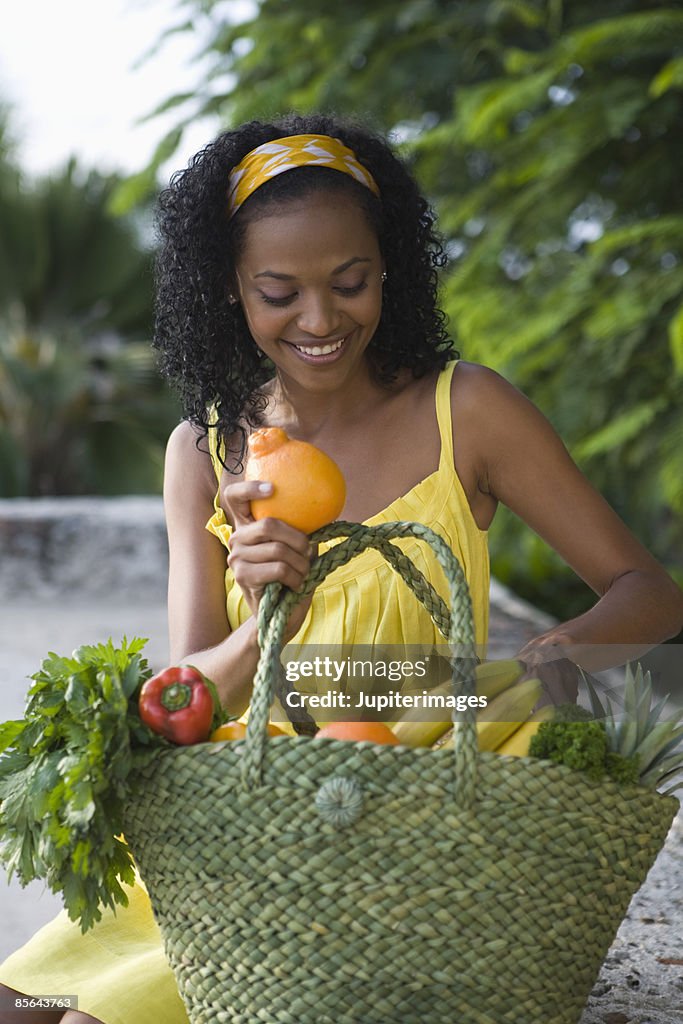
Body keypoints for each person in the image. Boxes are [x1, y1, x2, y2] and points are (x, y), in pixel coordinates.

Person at [1, 112, 681, 1024]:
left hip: (424, 806)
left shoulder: (464, 411)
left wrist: (547, 662)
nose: (320, 320)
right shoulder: (204, 451)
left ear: (388, 270)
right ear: (229, 293)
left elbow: (649, 592)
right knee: (24, 1002)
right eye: (278, 291)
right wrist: (259, 614)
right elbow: (183, 700)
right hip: (252, 823)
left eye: (349, 282)